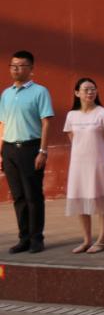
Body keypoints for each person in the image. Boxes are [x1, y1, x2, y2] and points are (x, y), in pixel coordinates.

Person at [0, 50, 54, 254]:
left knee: (33, 196)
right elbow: (2, 124)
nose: (16, 69)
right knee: (18, 197)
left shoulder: (40, 92)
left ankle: (36, 239)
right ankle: (23, 239)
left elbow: (46, 122)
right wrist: (0, 152)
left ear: (31, 69)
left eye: (21, 65)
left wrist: (43, 151)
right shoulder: (6, 94)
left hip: (30, 148)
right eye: (13, 65)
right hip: (9, 150)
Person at [63, 78, 104, 253]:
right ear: (77, 93)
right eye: (86, 89)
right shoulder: (71, 115)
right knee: (81, 200)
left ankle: (101, 241)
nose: (90, 92)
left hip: (97, 164)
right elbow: (72, 138)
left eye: (93, 89)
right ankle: (86, 240)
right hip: (78, 164)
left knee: (101, 201)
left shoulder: (103, 113)